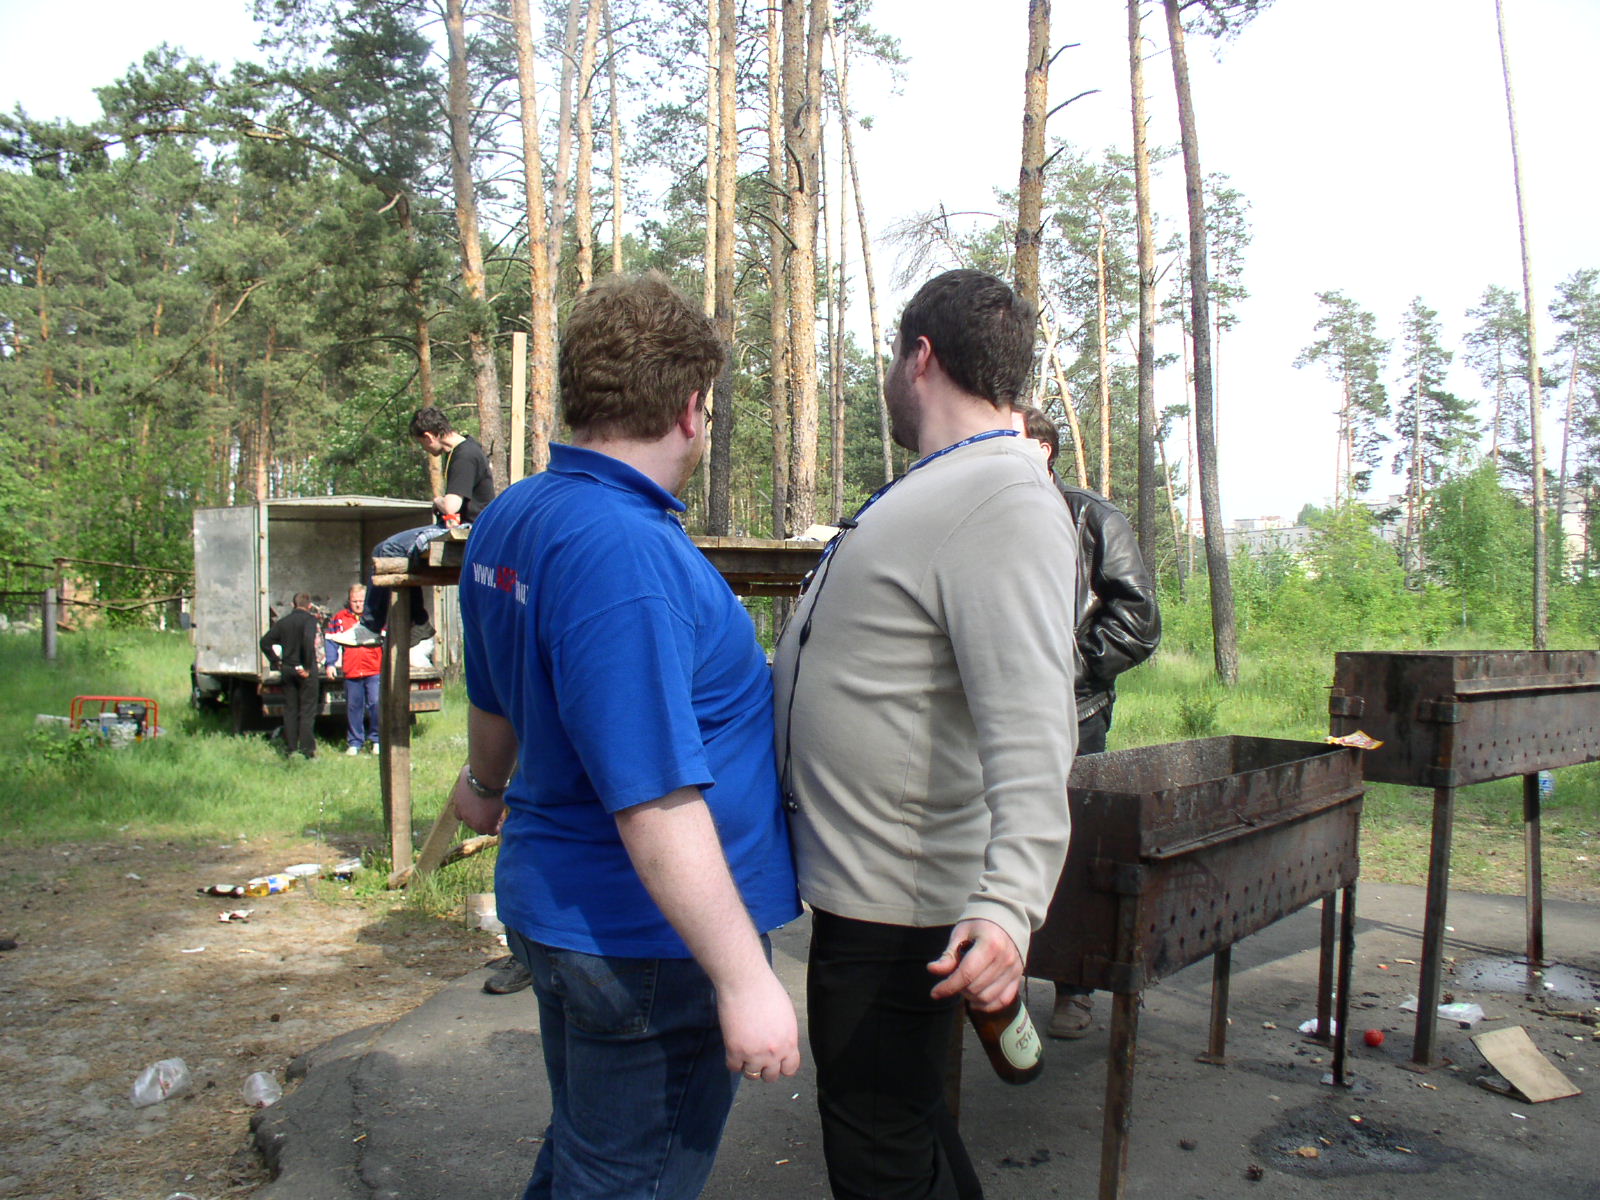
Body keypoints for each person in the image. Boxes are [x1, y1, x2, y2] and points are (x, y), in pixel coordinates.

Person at [449, 272, 802, 1199]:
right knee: (624, 1182)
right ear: (690, 408)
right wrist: (745, 981)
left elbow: (494, 699)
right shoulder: (626, 555)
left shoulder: (514, 514)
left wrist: (483, 788)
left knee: (587, 1161)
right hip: (646, 945)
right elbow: (653, 800)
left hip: (562, 910)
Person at [773, 268, 1078, 1200]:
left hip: (899, 911)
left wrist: (1010, 902)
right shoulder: (953, 487)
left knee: (880, 1155)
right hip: (871, 893)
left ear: (922, 357)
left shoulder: (1005, 498)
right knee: (901, 1128)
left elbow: (1033, 723)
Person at [1016, 405, 1162, 1039]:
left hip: (1073, 714)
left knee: (1072, 850)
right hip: (986, 719)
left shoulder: (1093, 518)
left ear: (1043, 449)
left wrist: (1063, 670)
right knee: (991, 845)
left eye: (1008, 439)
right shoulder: (987, 515)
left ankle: (1074, 986)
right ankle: (998, 983)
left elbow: (1138, 621)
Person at [329, 406, 495, 649]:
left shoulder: (464, 455)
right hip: (466, 526)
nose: (425, 449)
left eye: (422, 443)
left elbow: (452, 504)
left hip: (471, 531)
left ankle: (372, 626)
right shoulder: (464, 450)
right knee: (395, 552)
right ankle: (418, 622)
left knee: (386, 549)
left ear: (428, 436)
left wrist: (437, 501)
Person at [260, 592, 321, 760]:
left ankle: (291, 748)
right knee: (307, 710)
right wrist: (307, 667)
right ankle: (307, 749)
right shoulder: (310, 620)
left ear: (293, 605)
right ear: (309, 606)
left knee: (290, 710)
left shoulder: (283, 622)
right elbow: (308, 641)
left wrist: (276, 661)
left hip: (287, 668)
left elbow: (265, 642)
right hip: (306, 670)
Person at [325, 585, 381, 756]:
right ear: (349, 601)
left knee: (376, 704)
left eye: (361, 601)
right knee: (354, 707)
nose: (358, 604)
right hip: (352, 670)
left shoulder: (376, 617)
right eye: (354, 601)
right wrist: (330, 663)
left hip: (374, 669)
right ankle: (355, 743)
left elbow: (387, 639)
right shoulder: (339, 618)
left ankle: (377, 740)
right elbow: (330, 640)